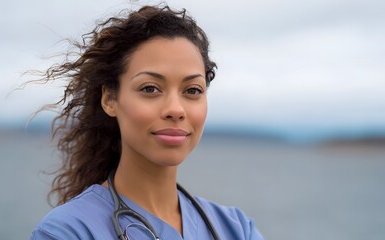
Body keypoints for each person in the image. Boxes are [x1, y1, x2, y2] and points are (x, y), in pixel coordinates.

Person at [31, 5, 264, 240]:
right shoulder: (67, 232)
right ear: (110, 99)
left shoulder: (236, 229)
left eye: (192, 90)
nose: (175, 109)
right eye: (150, 88)